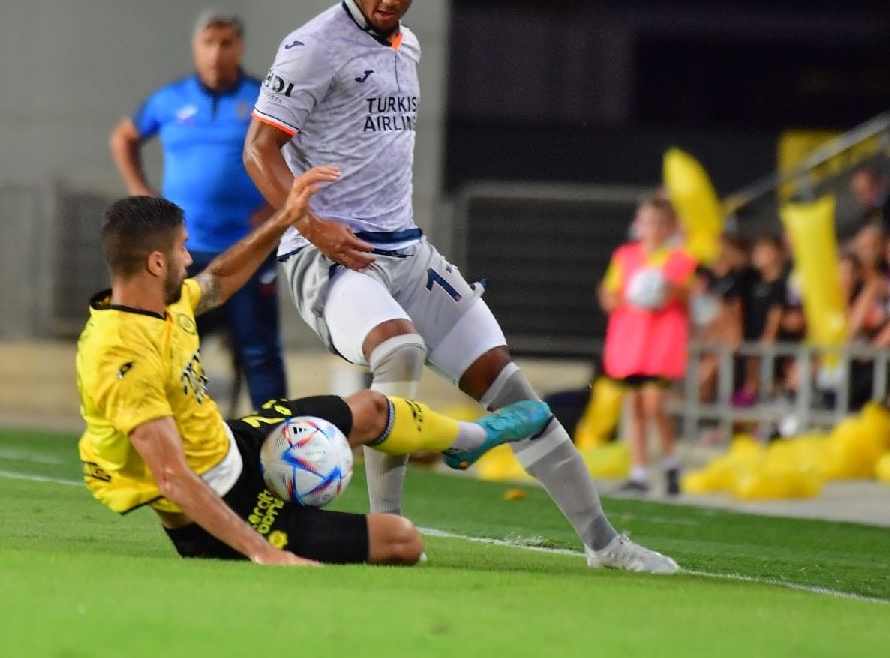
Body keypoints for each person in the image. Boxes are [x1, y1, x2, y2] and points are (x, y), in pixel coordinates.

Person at [243, 0, 678, 573]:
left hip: (407, 254)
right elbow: (258, 149)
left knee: (519, 397)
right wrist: (313, 226)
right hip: (332, 255)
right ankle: (387, 533)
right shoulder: (313, 46)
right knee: (400, 350)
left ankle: (605, 545)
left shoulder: (408, 47)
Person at [75, 166, 552, 566]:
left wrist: (286, 219)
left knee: (373, 408)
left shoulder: (163, 300)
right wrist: (264, 552)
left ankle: (472, 440)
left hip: (234, 445)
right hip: (219, 506)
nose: (188, 257)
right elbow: (172, 478)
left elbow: (217, 282)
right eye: (182, 248)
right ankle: (293, 523)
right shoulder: (122, 357)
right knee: (403, 541)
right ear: (156, 264)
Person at [109, 10, 284, 415]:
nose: (217, 53)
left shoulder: (263, 99)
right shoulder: (170, 100)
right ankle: (162, 426)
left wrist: (276, 203)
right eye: (209, 43)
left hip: (246, 252)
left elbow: (302, 146)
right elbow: (124, 137)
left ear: (240, 47)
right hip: (183, 253)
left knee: (259, 351)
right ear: (195, 47)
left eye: (226, 43)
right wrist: (139, 191)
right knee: (169, 344)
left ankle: (278, 436)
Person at [598, 196, 696, 496]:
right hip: (631, 343)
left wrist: (668, 291)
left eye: (659, 222)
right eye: (648, 221)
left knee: (655, 404)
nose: (652, 228)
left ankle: (670, 462)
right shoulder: (625, 256)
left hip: (661, 345)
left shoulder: (680, 259)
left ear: (670, 227)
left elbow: (687, 299)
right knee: (636, 406)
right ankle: (638, 472)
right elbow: (609, 294)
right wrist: (625, 298)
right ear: (638, 224)